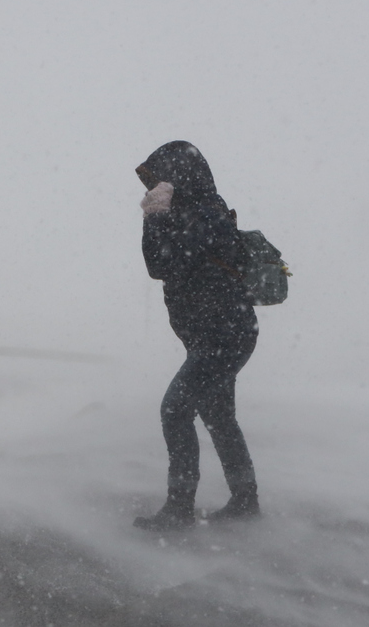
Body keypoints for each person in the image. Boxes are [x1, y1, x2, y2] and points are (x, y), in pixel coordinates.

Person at [133, 141, 261, 531]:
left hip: (224, 336)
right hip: (218, 333)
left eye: (161, 180)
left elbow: (159, 265)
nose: (155, 188)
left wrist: (154, 215)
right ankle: (245, 501)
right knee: (218, 415)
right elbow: (163, 263)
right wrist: (161, 214)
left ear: (180, 176)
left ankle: (179, 507)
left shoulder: (206, 215)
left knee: (175, 411)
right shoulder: (190, 212)